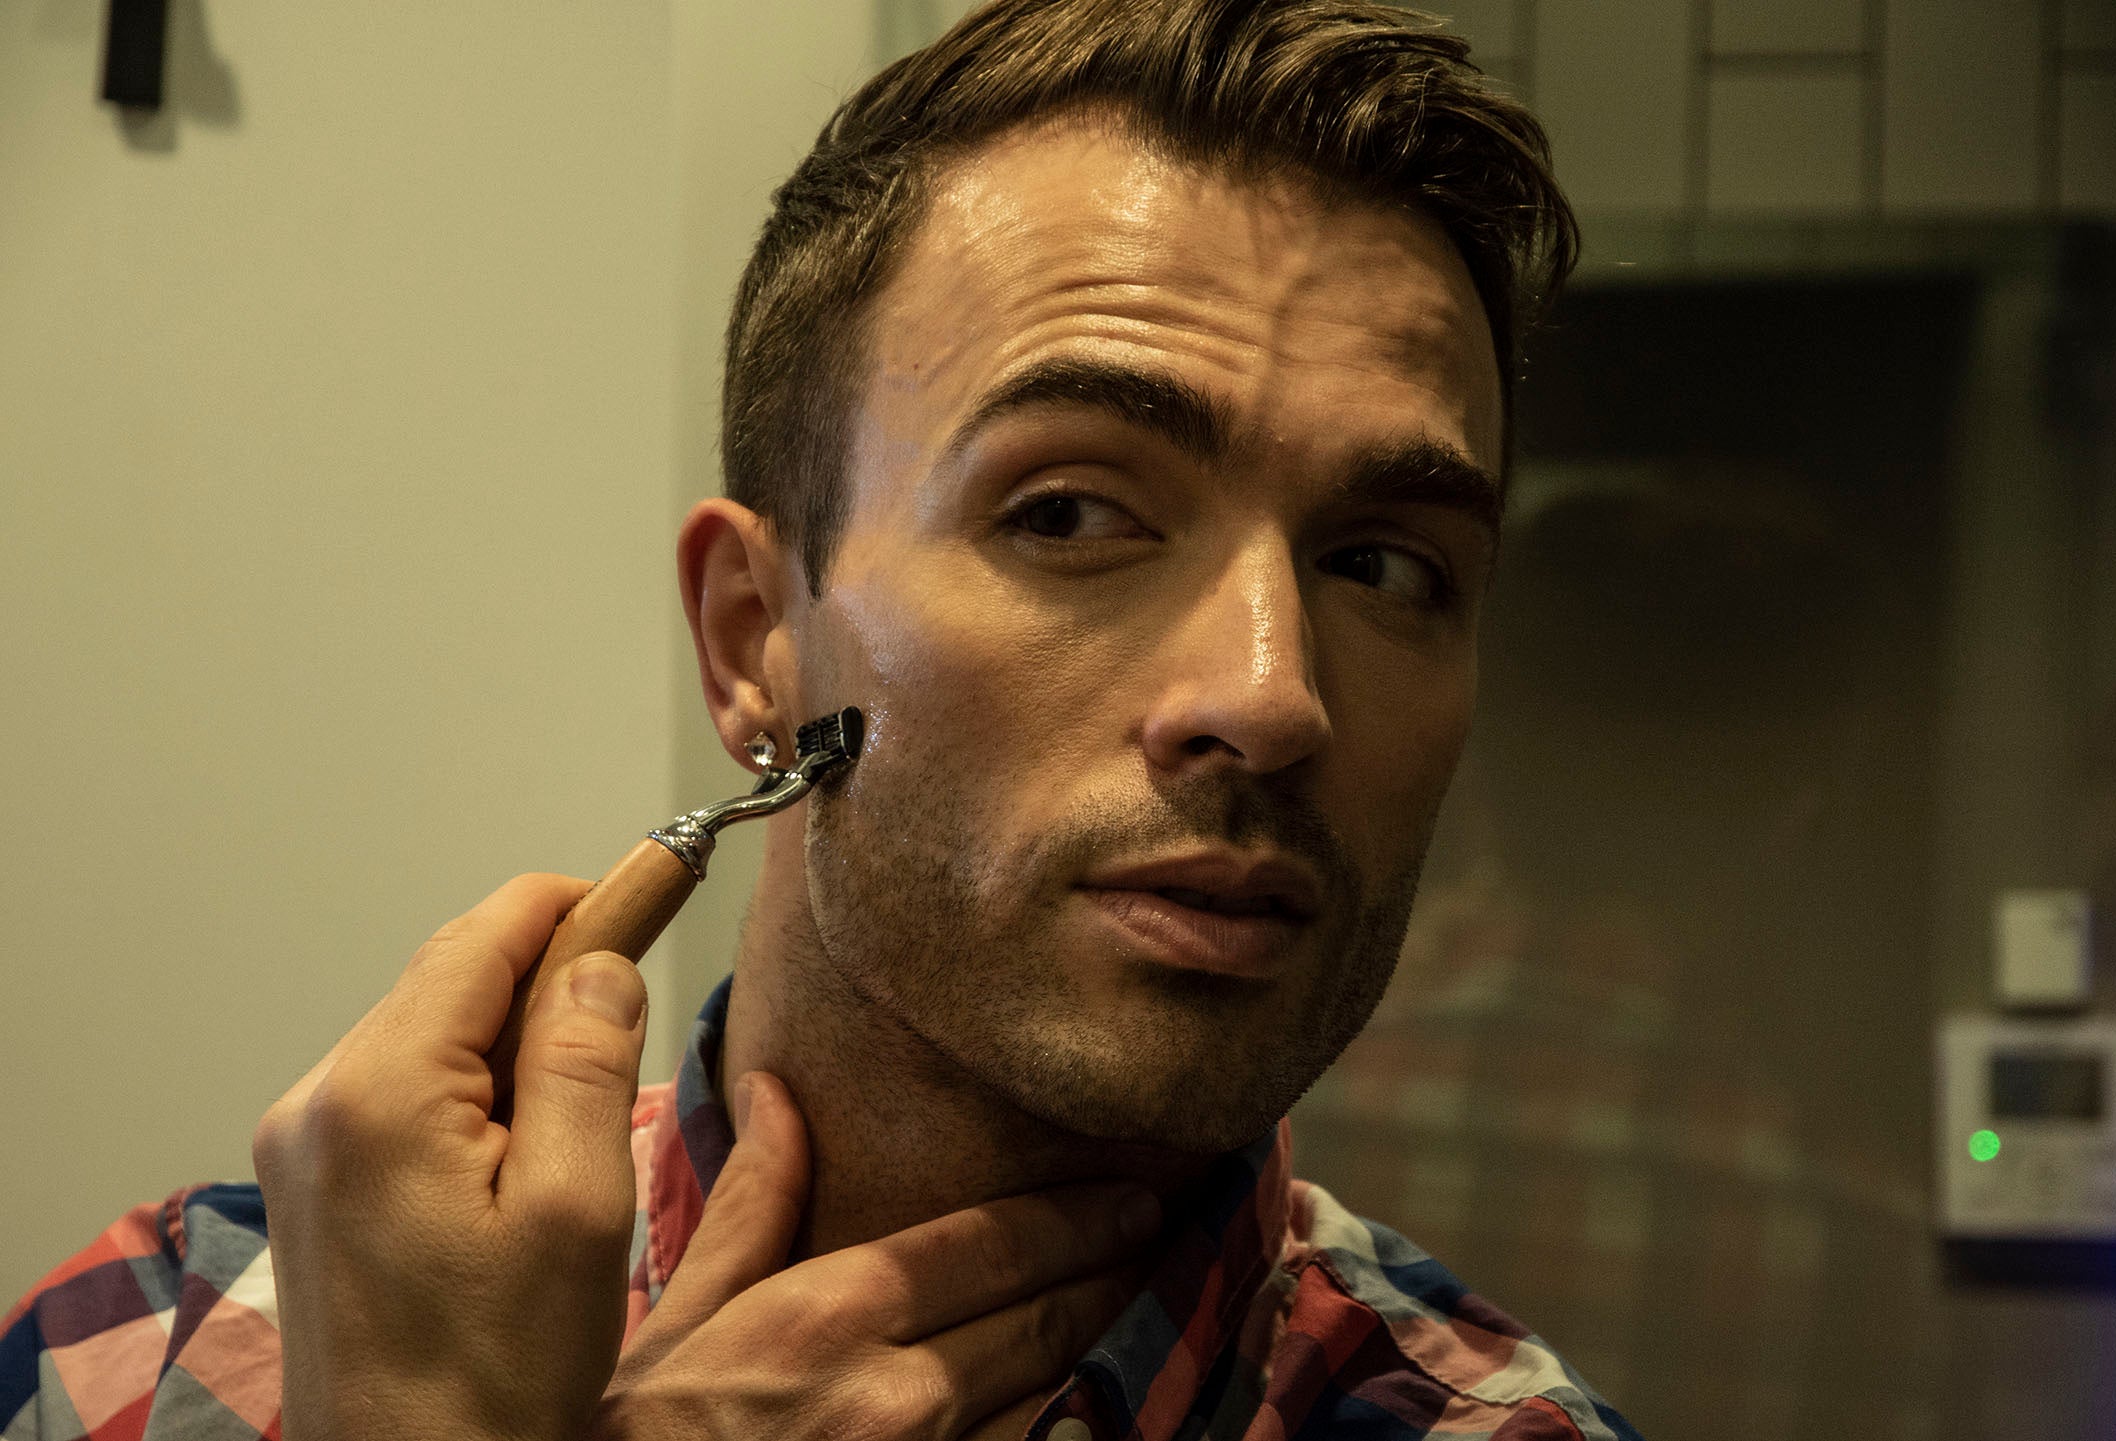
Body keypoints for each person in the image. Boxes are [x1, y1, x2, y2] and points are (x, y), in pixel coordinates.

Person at [2, 2, 1644, 1438]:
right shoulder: (142, 1357)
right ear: (752, 643)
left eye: (1384, 563)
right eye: (1071, 514)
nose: (1273, 696)